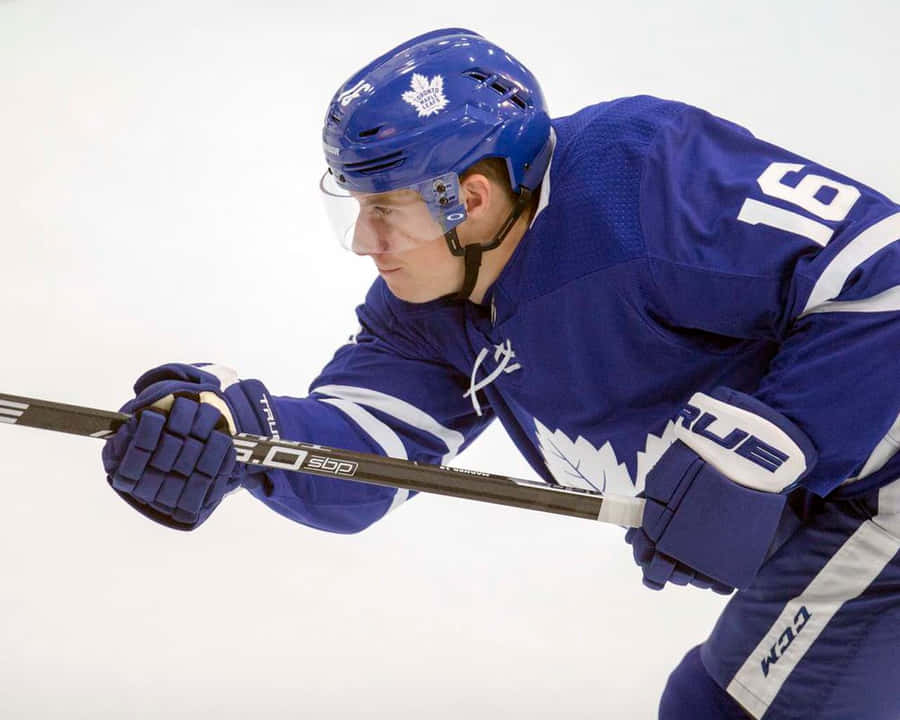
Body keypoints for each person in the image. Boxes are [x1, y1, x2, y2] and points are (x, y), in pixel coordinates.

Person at [100, 28, 900, 719]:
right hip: (843, 525)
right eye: (354, 208)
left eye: (383, 208)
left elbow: (884, 272)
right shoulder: (430, 308)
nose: (362, 244)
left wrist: (755, 450)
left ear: (469, 198)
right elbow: (366, 451)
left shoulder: (643, 180)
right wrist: (240, 435)